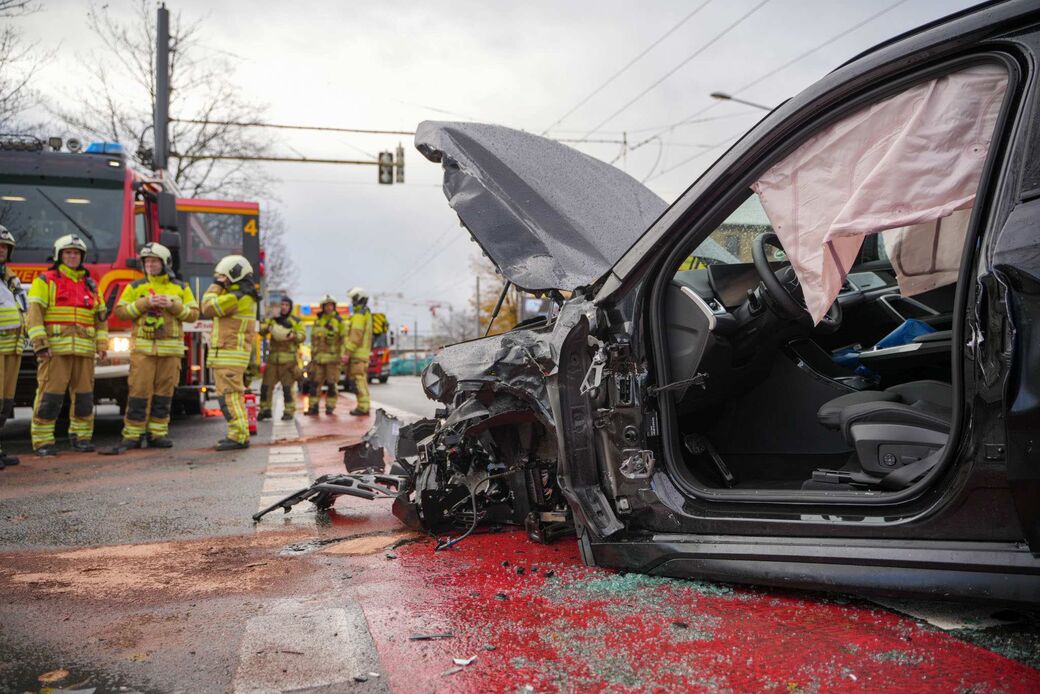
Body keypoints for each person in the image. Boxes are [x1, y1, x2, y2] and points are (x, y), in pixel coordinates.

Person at [103, 243, 198, 454]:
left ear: (165, 264)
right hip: (143, 352)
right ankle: (132, 436)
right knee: (139, 393)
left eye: (154, 261)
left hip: (170, 352)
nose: (150, 265)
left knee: (164, 394)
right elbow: (120, 312)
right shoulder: (135, 287)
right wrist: (144, 303)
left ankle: (158, 434)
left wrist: (172, 305)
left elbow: (193, 314)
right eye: (146, 261)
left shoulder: (181, 288)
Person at [25, 234, 108, 456]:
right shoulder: (45, 280)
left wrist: (102, 344)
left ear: (82, 257)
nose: (72, 256)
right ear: (59, 256)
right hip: (55, 352)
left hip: (84, 352)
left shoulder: (91, 285)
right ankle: (43, 442)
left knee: (84, 398)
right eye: (68, 253)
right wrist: (40, 345)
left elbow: (100, 318)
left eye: (76, 253)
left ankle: (81, 438)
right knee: (49, 397)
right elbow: (34, 315)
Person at [201, 255, 258, 451]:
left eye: (223, 276)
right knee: (231, 397)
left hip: (229, 357)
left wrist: (216, 285)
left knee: (230, 397)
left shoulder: (237, 298)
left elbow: (207, 307)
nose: (220, 279)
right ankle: (238, 434)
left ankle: (238, 436)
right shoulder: (241, 296)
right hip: (229, 356)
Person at [0, 226, 25, 468]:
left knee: (5, 403)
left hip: (12, 349)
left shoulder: (11, 277)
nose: (1, 250)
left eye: (5, 247)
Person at [258, 296, 305, 421]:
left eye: (286, 305)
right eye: (282, 305)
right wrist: (267, 328)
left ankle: (289, 411)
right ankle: (265, 409)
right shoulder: (273, 320)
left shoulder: (296, 321)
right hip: (273, 360)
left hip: (288, 362)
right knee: (266, 386)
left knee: (287, 388)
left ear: (290, 307)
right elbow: (261, 330)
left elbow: (302, 335)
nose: (284, 307)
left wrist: (294, 335)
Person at [306, 294, 344, 415]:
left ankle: (330, 407)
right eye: (326, 305)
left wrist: (342, 355)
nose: (329, 307)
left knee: (332, 385)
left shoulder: (339, 322)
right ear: (322, 307)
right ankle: (313, 407)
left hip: (333, 360)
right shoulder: (318, 322)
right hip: (318, 360)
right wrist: (313, 357)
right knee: (314, 384)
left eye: (331, 305)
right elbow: (313, 341)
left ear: (334, 306)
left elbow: (344, 340)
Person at [343, 287, 374, 417]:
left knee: (358, 381)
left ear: (358, 299)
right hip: (363, 354)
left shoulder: (359, 315)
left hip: (357, 354)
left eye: (353, 299)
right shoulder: (366, 313)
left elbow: (355, 336)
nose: (352, 302)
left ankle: (363, 407)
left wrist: (346, 353)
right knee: (361, 380)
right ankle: (364, 405)